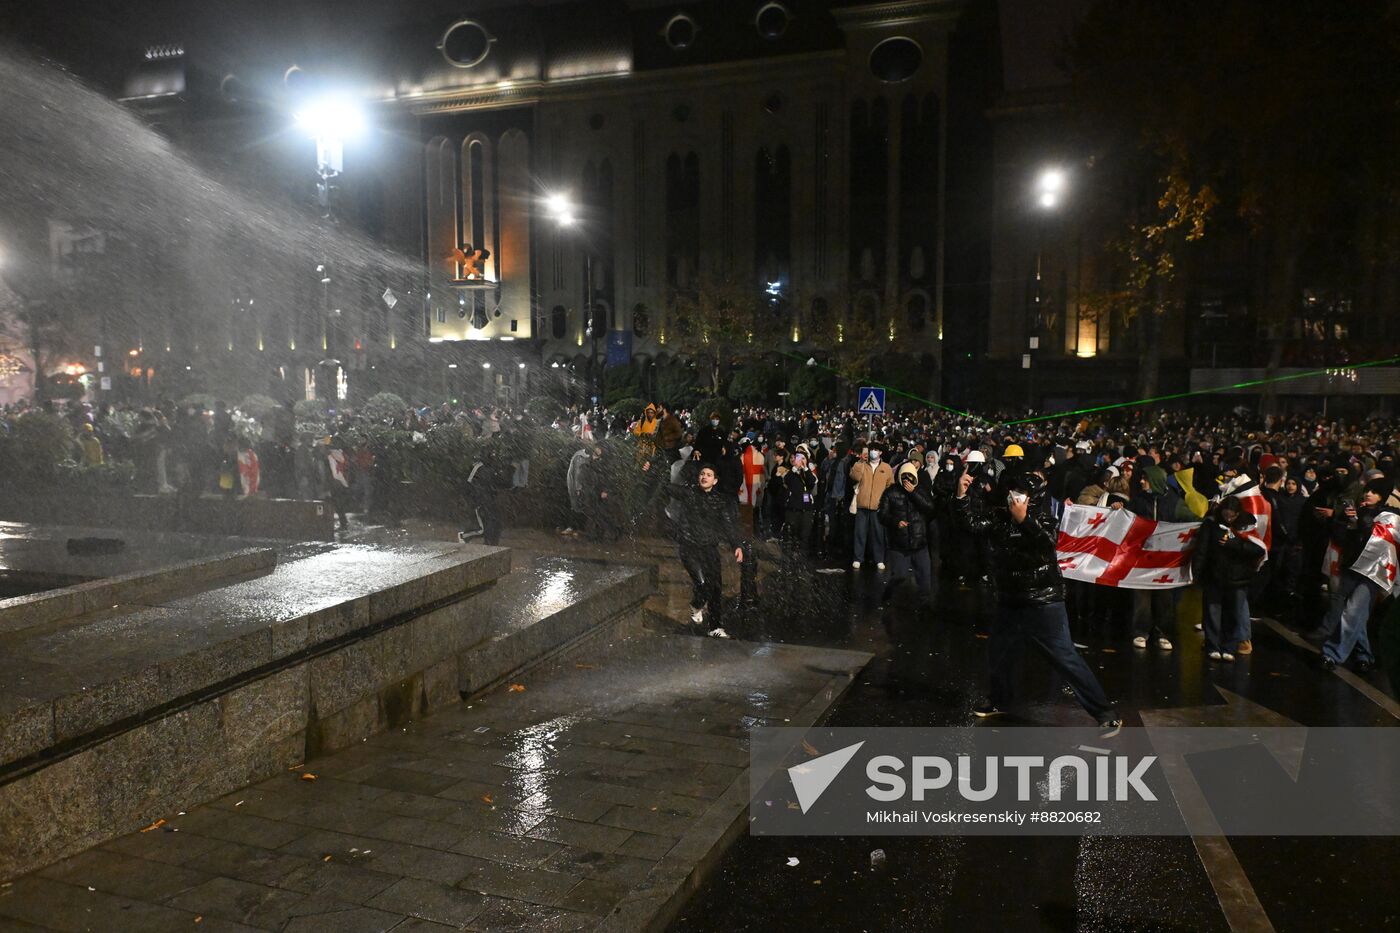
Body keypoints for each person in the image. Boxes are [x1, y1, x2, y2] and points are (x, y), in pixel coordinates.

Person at [954, 469, 1121, 735]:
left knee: (1065, 657)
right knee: (999, 654)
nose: (1014, 497)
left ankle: (1104, 712)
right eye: (1012, 491)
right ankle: (999, 700)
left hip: (1044, 603)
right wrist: (962, 495)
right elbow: (972, 524)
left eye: (1021, 492)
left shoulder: (1044, 519)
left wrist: (1025, 522)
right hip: (1010, 600)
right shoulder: (1000, 518)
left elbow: (1046, 545)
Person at [667, 462, 747, 638]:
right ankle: (696, 605)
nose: (704, 477)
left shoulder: (720, 501)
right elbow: (668, 488)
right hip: (689, 546)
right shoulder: (689, 493)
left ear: (715, 480)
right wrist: (651, 471)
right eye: (702, 474)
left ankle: (715, 627)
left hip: (709, 547)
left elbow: (728, 525)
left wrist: (737, 546)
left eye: (709, 475)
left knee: (716, 587)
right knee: (703, 584)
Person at [1318, 477, 1391, 671]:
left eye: (1374, 492)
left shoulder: (1389, 516)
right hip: (1351, 566)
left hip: (1372, 571)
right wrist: (1347, 521)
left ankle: (1331, 654)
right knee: (1357, 614)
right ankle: (1363, 655)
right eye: (1367, 490)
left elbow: (1375, 539)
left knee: (1352, 611)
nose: (1368, 494)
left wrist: (1361, 518)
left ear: (1382, 496)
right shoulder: (1359, 510)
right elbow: (1343, 538)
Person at [1191, 496, 1263, 661]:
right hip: (1214, 576)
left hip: (1237, 578)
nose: (1229, 518)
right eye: (1226, 514)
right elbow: (1202, 550)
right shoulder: (1210, 524)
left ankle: (1229, 646)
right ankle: (1212, 646)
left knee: (1233, 614)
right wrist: (1197, 572)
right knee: (1212, 613)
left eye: (1232, 516)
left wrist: (1235, 544)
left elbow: (1258, 548)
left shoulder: (1247, 526)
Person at [878, 462, 938, 607]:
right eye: (904, 476)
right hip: (899, 544)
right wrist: (896, 522)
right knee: (900, 575)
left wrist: (914, 493)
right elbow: (882, 515)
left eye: (910, 476)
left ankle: (925, 606)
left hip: (919, 542)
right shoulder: (891, 492)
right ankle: (888, 594)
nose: (907, 480)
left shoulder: (921, 490)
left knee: (924, 577)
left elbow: (930, 508)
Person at [849, 442, 894, 571]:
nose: (873, 452)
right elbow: (854, 476)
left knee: (878, 534)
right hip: (862, 505)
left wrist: (886, 503)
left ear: (880, 452)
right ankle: (858, 558)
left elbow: (890, 486)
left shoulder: (886, 467)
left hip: (878, 507)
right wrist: (860, 462)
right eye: (871, 449)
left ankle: (879, 559)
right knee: (860, 533)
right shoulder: (862, 465)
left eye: (876, 450)